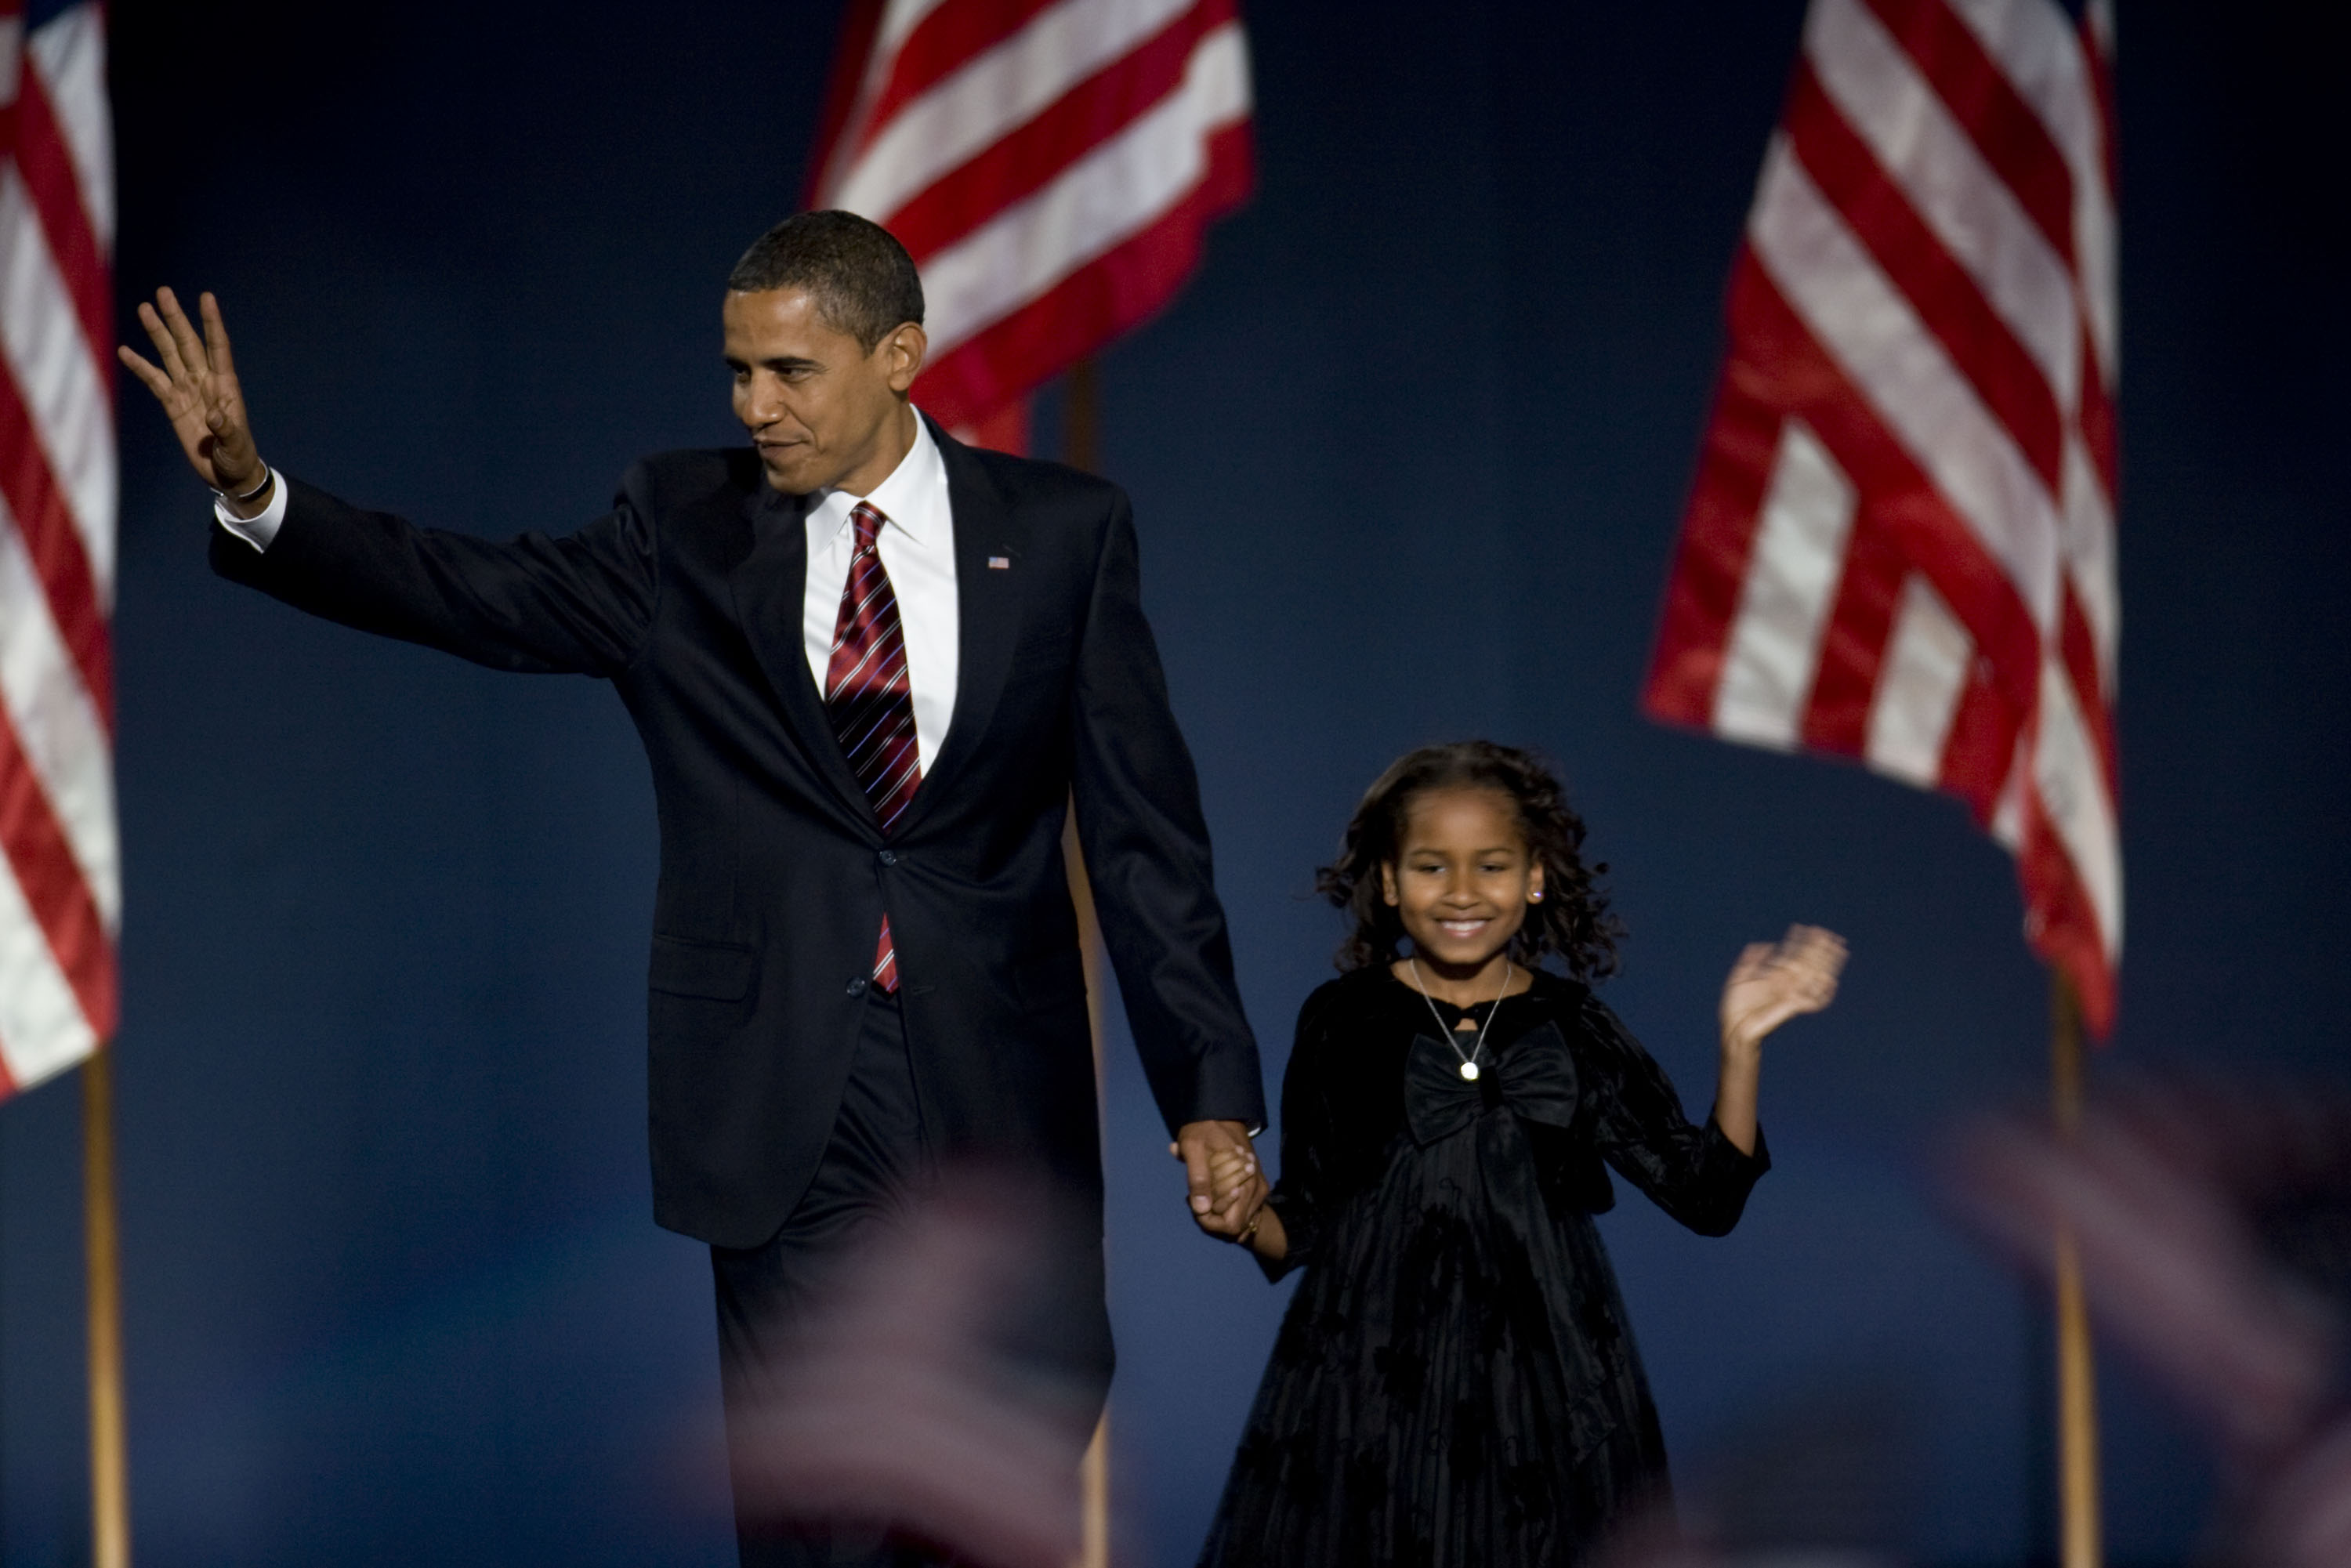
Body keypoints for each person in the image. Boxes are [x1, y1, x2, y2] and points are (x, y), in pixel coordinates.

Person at [118, 210, 1269, 1566]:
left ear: (898, 355)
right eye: (737, 371)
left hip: (993, 1089)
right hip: (786, 1091)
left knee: (998, 1486)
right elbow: (476, 594)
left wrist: (1207, 1094)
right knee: (815, 1508)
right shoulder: (682, 524)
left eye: (791, 372)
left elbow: (1146, 838)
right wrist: (260, 494)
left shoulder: (1067, 533)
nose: (753, 405)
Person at [1195, 741, 1846, 1566]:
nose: (1462, 892)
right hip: (1372, 1391)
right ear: (1390, 883)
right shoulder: (1340, 1021)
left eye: (1492, 865)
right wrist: (1246, 1216)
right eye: (1432, 867)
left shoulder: (1575, 1026)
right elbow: (1308, 1220)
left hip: (1552, 1394)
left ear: (1534, 877)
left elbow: (1707, 1197)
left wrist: (1740, 1044)